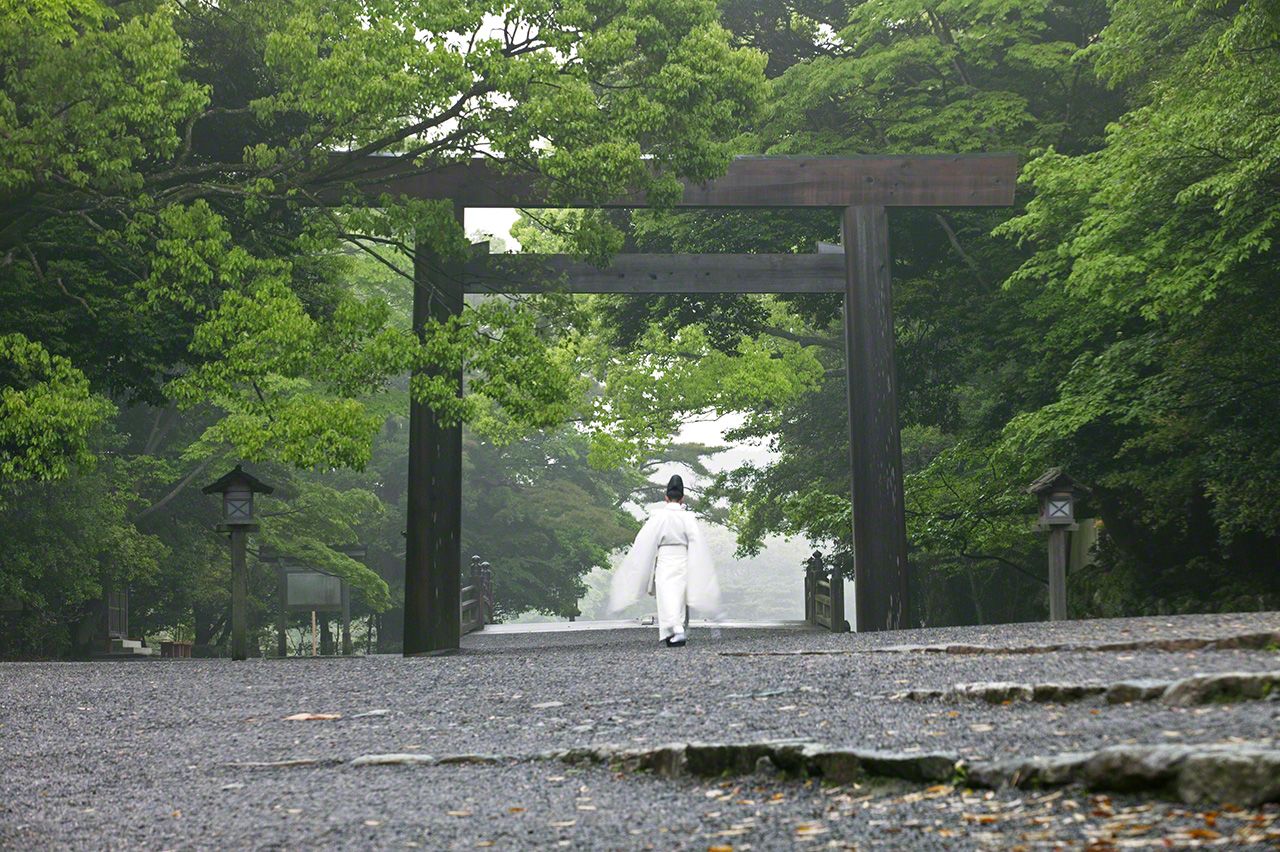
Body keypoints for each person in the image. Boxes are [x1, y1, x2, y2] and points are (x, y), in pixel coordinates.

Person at [608, 474, 721, 647]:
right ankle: (679, 628)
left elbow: (644, 543)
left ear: (666, 497)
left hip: (665, 559)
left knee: (667, 595)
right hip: (684, 558)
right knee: (680, 597)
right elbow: (697, 543)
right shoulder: (688, 518)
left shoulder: (658, 517)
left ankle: (673, 630)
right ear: (682, 498)